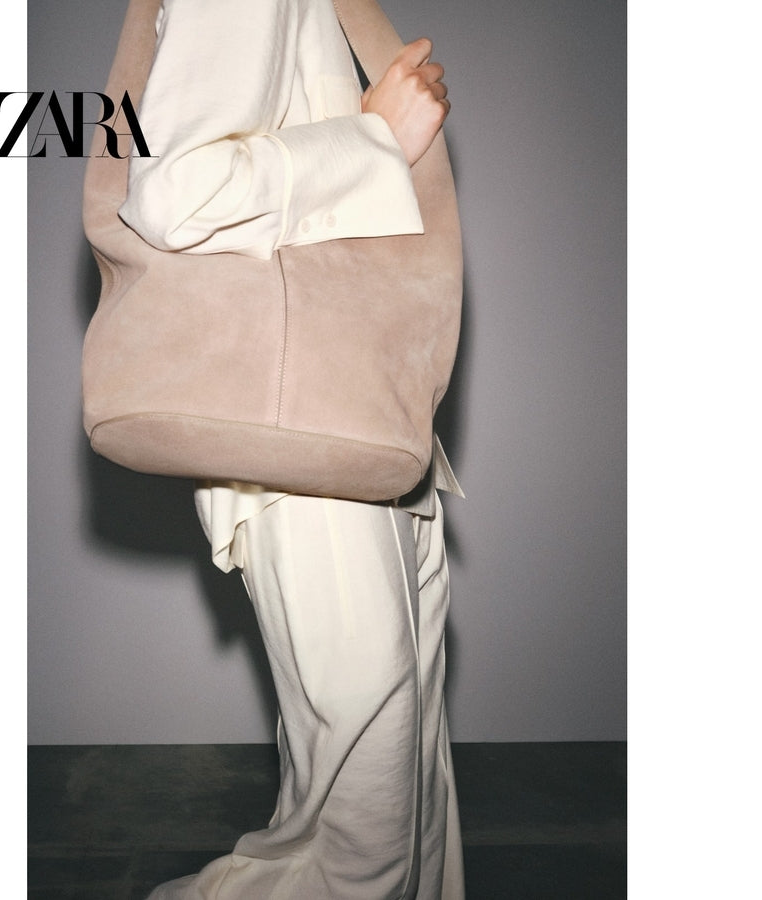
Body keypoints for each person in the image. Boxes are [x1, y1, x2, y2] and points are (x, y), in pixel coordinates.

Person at [116, 0, 465, 896]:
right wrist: (374, 138)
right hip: (304, 447)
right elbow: (175, 193)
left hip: (372, 428)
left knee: (408, 800)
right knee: (364, 837)